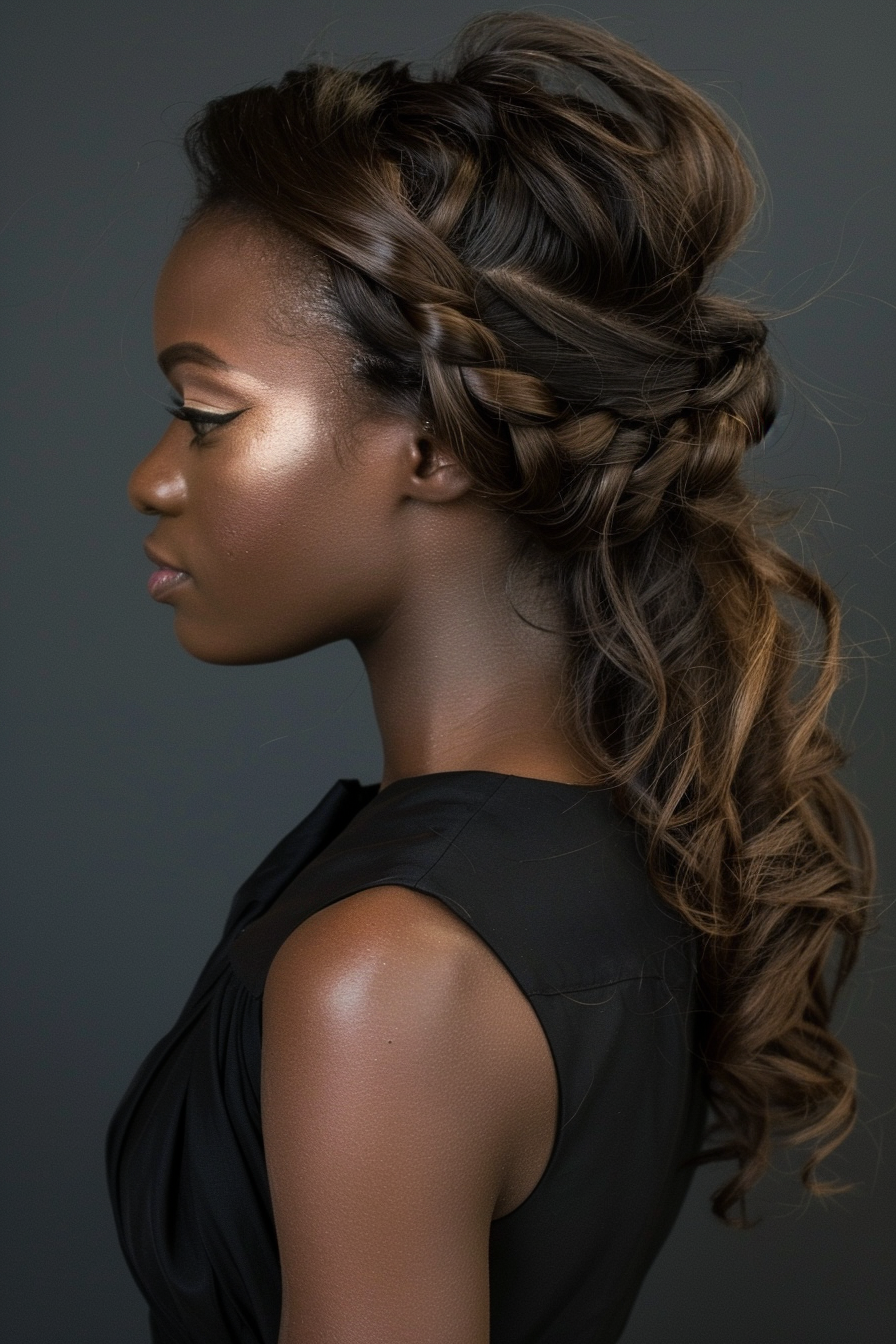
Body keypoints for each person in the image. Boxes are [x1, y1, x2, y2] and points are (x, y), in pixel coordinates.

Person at [106, 12, 874, 1343]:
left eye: (207, 413)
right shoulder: (622, 859)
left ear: (437, 443)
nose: (152, 476)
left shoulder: (388, 967)